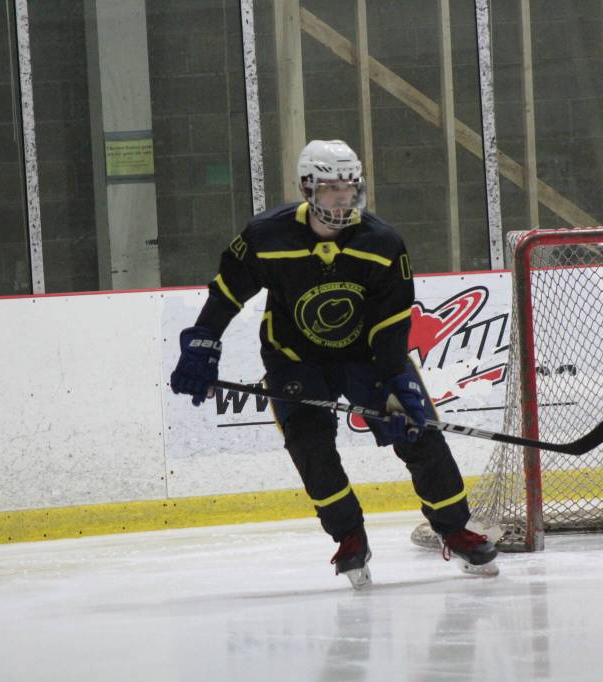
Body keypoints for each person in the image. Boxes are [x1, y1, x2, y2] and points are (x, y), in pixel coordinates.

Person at [170, 139, 497, 588]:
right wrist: (202, 343)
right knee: (310, 447)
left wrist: (393, 383)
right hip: (293, 359)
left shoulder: (382, 244)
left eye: (349, 188)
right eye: (330, 189)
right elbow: (227, 293)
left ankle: (455, 529)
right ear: (307, 187)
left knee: (419, 432)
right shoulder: (267, 236)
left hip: (366, 356)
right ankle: (349, 537)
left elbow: (390, 325)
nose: (342, 198)